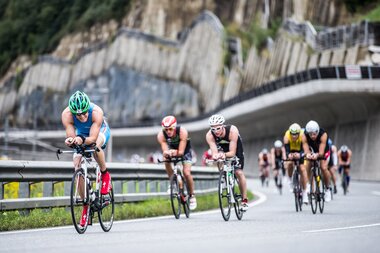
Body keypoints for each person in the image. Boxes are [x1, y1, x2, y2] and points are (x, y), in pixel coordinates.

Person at [61, 90, 111, 226]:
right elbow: (71, 135)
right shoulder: (66, 115)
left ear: (87, 107)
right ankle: (86, 205)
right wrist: (71, 140)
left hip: (99, 132)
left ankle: (105, 173)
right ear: (72, 112)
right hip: (81, 134)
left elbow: (92, 138)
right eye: (78, 114)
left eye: (84, 112)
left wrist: (81, 139)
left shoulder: (96, 112)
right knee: (76, 163)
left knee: (95, 146)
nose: (82, 116)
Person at [205, 114, 249, 211]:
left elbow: (232, 153)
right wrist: (216, 156)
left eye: (218, 128)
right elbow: (214, 152)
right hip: (222, 147)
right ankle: (224, 177)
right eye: (213, 129)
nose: (216, 131)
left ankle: (244, 200)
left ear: (223, 126)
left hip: (235, 148)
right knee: (219, 159)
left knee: (238, 172)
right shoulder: (209, 135)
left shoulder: (232, 130)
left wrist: (224, 155)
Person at [157, 115, 197, 210]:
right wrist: (167, 153)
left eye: (170, 129)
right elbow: (165, 150)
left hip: (185, 151)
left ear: (174, 127)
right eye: (166, 130)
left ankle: (192, 196)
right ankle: (173, 183)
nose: (168, 132)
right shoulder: (161, 135)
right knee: (166, 161)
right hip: (172, 150)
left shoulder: (182, 131)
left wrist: (175, 152)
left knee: (186, 173)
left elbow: (181, 152)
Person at [302, 120, 332, 202]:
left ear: (318, 131)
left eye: (314, 133)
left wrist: (317, 155)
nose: (312, 136)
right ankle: (308, 184)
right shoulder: (304, 135)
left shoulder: (323, 134)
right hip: (312, 150)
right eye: (310, 134)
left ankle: (328, 189)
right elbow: (305, 148)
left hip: (323, 151)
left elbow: (321, 153)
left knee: (323, 167)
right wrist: (308, 154)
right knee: (307, 162)